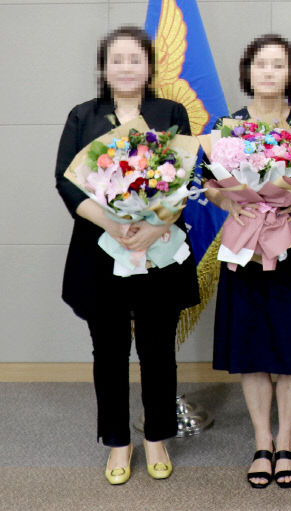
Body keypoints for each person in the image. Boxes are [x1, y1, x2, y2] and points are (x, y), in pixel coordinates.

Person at [54, 25, 200, 485]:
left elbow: (187, 179)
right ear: (103, 67)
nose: (126, 67)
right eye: (116, 59)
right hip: (101, 249)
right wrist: (116, 224)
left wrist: (154, 225)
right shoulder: (83, 116)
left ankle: (156, 436)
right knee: (109, 350)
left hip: (158, 247)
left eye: (135, 59)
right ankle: (118, 441)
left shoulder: (169, 112)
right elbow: (67, 181)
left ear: (149, 67)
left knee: (159, 348)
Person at [205, 34, 291, 489]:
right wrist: (228, 202)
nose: (269, 73)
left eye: (278, 65)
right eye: (261, 65)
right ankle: (262, 442)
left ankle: (287, 443)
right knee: (252, 346)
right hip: (244, 250)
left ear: (290, 74)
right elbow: (211, 184)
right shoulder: (227, 127)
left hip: (290, 247)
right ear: (248, 73)